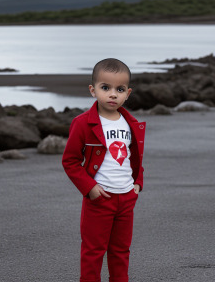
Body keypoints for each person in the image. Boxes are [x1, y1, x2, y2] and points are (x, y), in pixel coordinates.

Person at [62, 58, 146, 282]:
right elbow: (70, 161)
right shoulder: (83, 123)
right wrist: (90, 188)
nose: (112, 94)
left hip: (126, 197)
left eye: (119, 89)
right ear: (93, 90)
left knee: (121, 251)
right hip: (100, 198)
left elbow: (134, 158)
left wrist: (137, 183)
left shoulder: (131, 123)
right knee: (93, 252)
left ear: (128, 93)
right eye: (105, 88)